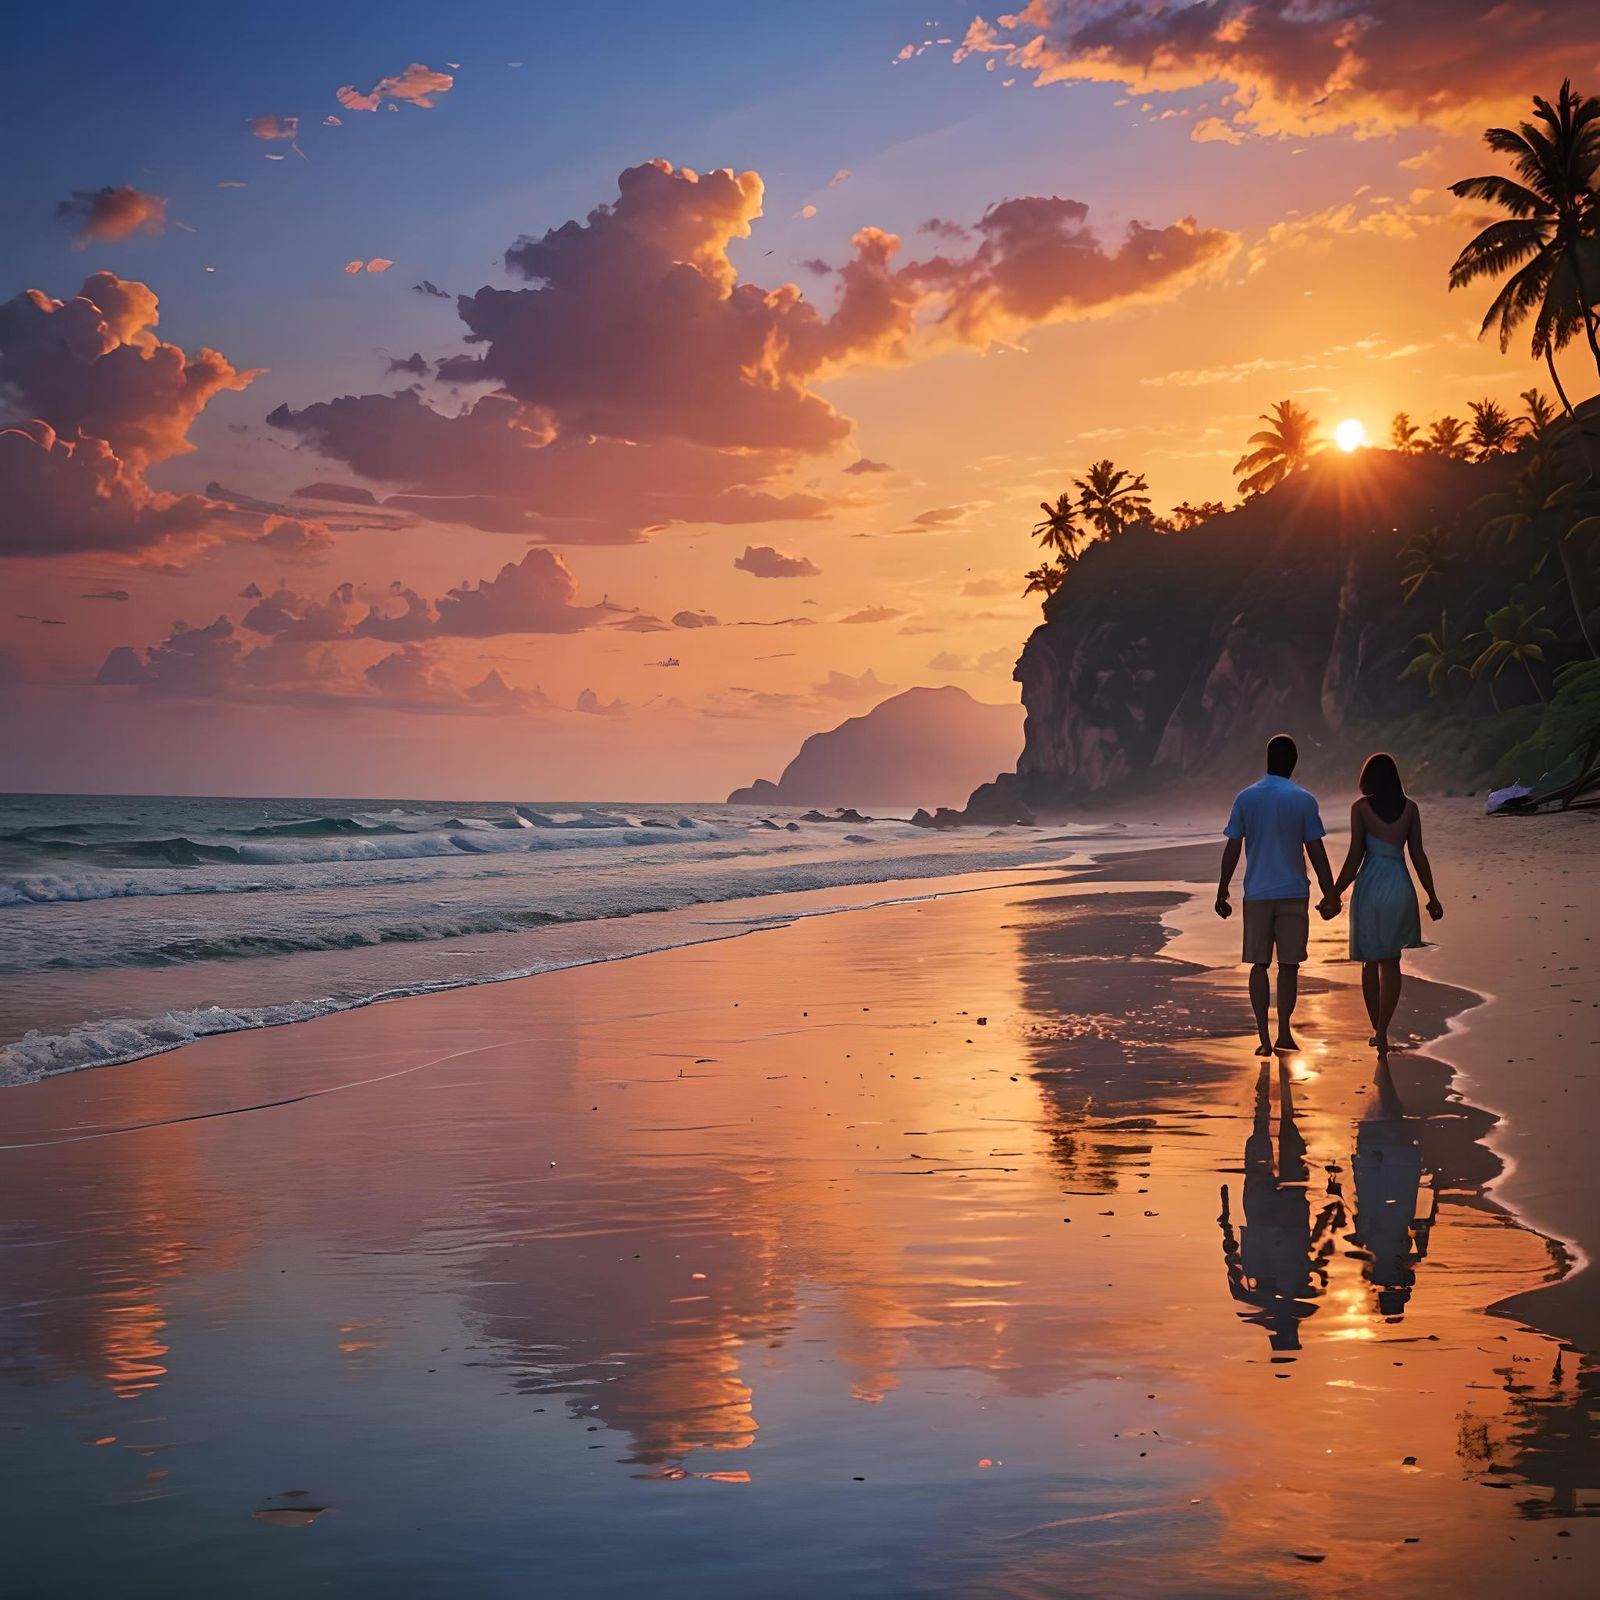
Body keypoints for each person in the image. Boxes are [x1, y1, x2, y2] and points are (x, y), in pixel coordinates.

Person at [1216, 733, 1337, 1055]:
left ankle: (1263, 1039)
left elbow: (1233, 847)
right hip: (1294, 892)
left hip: (1256, 894)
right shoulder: (1303, 799)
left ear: (1268, 760)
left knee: (1258, 965)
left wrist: (1222, 889)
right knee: (1289, 965)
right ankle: (1284, 1032)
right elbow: (1316, 851)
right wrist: (1331, 894)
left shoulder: (1245, 798)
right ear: (1294, 763)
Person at [1322, 752, 1443, 1058]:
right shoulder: (1411, 809)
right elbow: (1418, 855)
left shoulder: (1360, 809)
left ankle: (1378, 1031)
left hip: (1371, 886)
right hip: (1400, 886)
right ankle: (1382, 1031)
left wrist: (1334, 894)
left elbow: (1354, 858)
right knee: (1391, 963)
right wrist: (1432, 896)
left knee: (1369, 960)